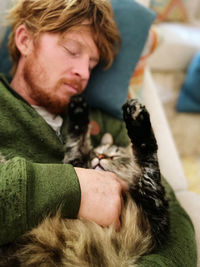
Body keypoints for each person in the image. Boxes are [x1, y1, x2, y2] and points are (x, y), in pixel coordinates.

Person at [0, 0, 130, 246]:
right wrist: (75, 188)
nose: (85, 73)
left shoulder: (106, 125)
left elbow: (173, 222)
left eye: (92, 64)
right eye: (72, 50)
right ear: (25, 40)